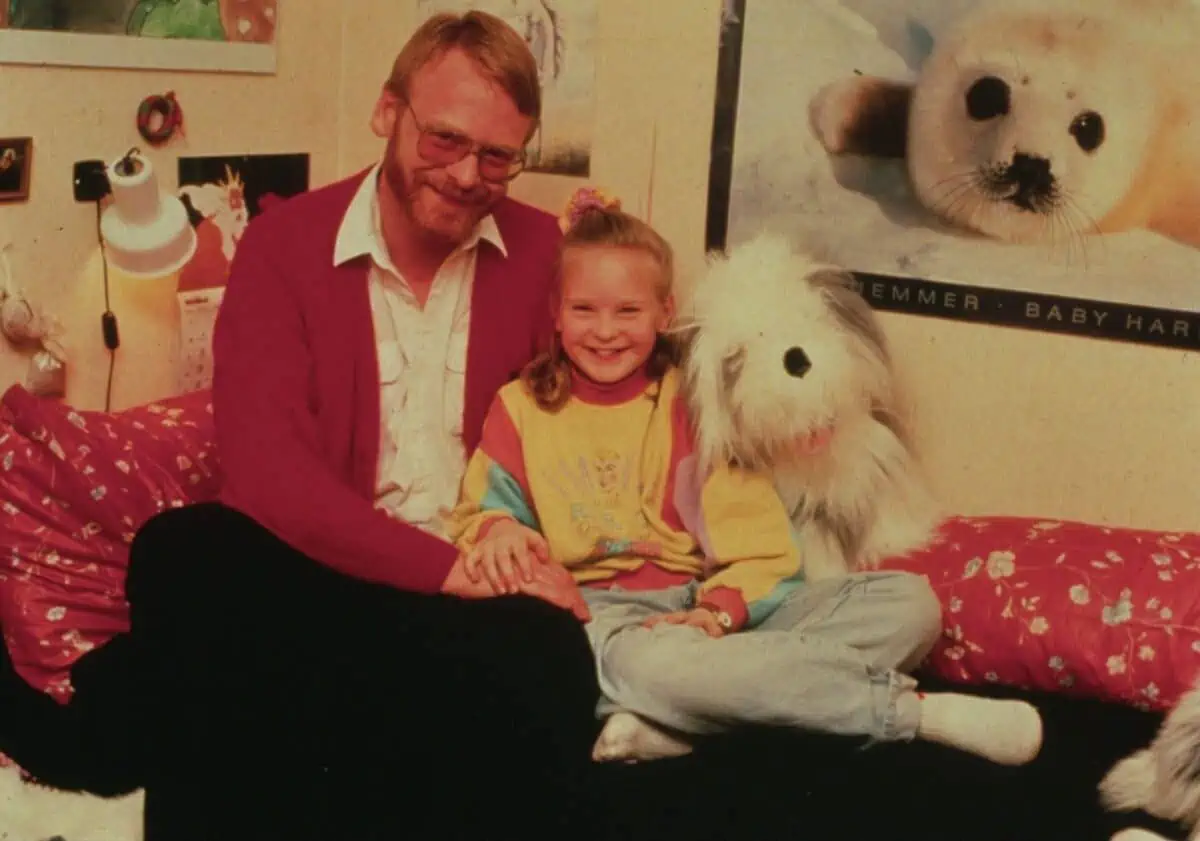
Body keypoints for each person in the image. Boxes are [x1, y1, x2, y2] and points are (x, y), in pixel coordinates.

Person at [0, 11, 609, 841]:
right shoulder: (286, 243)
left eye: (498, 155)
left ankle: (117, 726)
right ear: (387, 113)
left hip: (472, 603)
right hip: (332, 575)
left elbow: (620, 410)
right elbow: (269, 476)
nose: (468, 174)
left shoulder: (546, 253)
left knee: (551, 661)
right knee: (188, 549)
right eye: (444, 140)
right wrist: (446, 569)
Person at [446, 188, 1047, 769]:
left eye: (628, 311)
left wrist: (718, 615)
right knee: (660, 669)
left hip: (703, 609)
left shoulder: (690, 405)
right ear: (556, 313)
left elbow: (763, 550)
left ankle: (686, 716)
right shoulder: (521, 406)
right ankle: (907, 712)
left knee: (908, 606)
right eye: (584, 310)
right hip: (608, 623)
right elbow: (479, 521)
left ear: (664, 313)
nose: (605, 331)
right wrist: (498, 528)